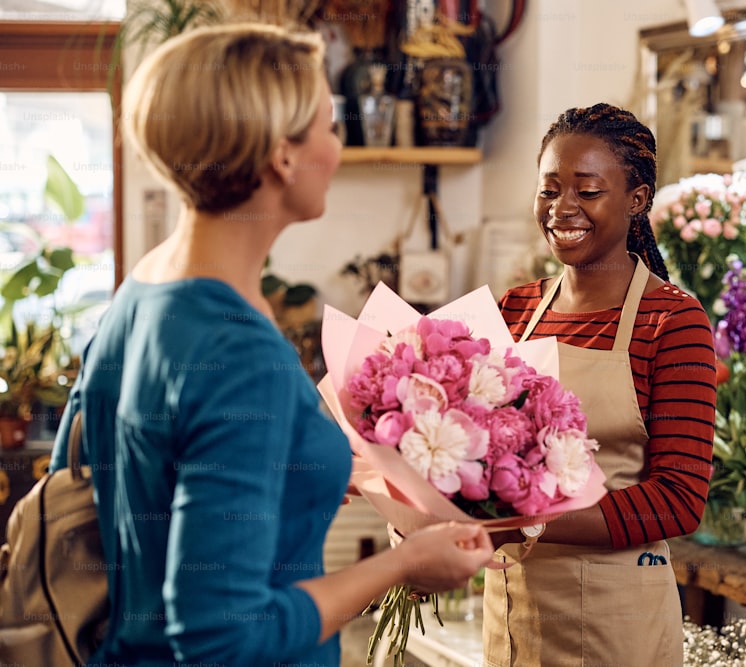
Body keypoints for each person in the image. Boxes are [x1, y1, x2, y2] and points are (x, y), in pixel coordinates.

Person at [48, 23, 493, 667]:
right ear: (283, 156)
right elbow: (220, 636)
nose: (336, 148)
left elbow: (118, 479)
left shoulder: (141, 290)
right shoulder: (237, 353)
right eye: (328, 125)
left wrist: (303, 465)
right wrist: (405, 562)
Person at [485, 103, 717, 665]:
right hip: (513, 615)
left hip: (616, 621)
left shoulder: (672, 321)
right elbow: (476, 454)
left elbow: (678, 501)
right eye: (549, 191)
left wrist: (522, 526)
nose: (562, 209)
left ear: (636, 200)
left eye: (587, 191)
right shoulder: (514, 309)